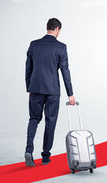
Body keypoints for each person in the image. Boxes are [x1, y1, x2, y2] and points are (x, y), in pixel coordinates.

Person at [24, 18, 76, 167]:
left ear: (48, 28)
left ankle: (29, 150)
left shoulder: (34, 45)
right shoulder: (61, 47)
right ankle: (45, 156)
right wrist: (70, 94)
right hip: (53, 91)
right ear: (57, 29)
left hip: (35, 89)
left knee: (33, 119)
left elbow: (28, 68)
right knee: (50, 122)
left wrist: (29, 87)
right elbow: (65, 72)